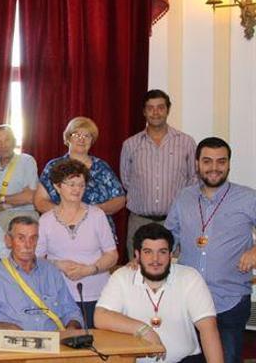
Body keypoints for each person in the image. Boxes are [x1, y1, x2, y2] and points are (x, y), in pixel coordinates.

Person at [165, 137, 256, 363]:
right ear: (197, 164)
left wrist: (255, 251)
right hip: (188, 302)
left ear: (228, 164)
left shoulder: (247, 197)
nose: (214, 168)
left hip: (230, 300)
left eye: (221, 161)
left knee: (226, 359)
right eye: (207, 161)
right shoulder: (183, 197)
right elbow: (167, 238)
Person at [95, 223, 222, 363]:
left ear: (171, 254)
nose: (155, 259)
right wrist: (144, 330)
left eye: (162, 252)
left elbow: (208, 330)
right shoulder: (122, 277)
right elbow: (100, 317)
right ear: (137, 255)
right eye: (148, 252)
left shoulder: (190, 277)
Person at [35, 158, 117, 328]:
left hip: (97, 295)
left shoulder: (97, 215)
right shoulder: (46, 220)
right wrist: (58, 264)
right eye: (71, 184)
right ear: (57, 186)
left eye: (81, 185)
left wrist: (90, 269)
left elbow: (112, 255)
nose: (77, 189)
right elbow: (35, 259)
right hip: (59, 298)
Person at [0, 216, 84, 333]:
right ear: (8, 240)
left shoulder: (51, 271)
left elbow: (72, 312)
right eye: (21, 238)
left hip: (52, 343)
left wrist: (71, 329)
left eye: (33, 238)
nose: (28, 245)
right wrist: (2, 327)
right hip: (13, 346)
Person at [120, 90, 197, 258]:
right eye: (150, 108)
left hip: (175, 221)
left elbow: (193, 179)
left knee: (175, 271)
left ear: (168, 110)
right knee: (138, 271)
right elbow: (126, 180)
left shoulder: (186, 142)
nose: (155, 112)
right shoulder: (130, 145)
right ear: (144, 111)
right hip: (139, 222)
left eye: (160, 107)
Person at [34, 116, 126, 234]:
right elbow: (40, 201)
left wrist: (95, 210)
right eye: (76, 135)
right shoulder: (53, 166)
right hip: (60, 230)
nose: (81, 139)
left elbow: (120, 199)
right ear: (68, 138)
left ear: (92, 141)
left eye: (87, 136)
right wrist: (67, 213)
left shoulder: (101, 167)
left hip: (97, 231)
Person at [0, 124, 39, 232]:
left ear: (14, 141)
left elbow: (29, 197)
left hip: (25, 218)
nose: (3, 145)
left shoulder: (27, 161)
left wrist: (0, 198)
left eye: (7, 140)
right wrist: (11, 203)